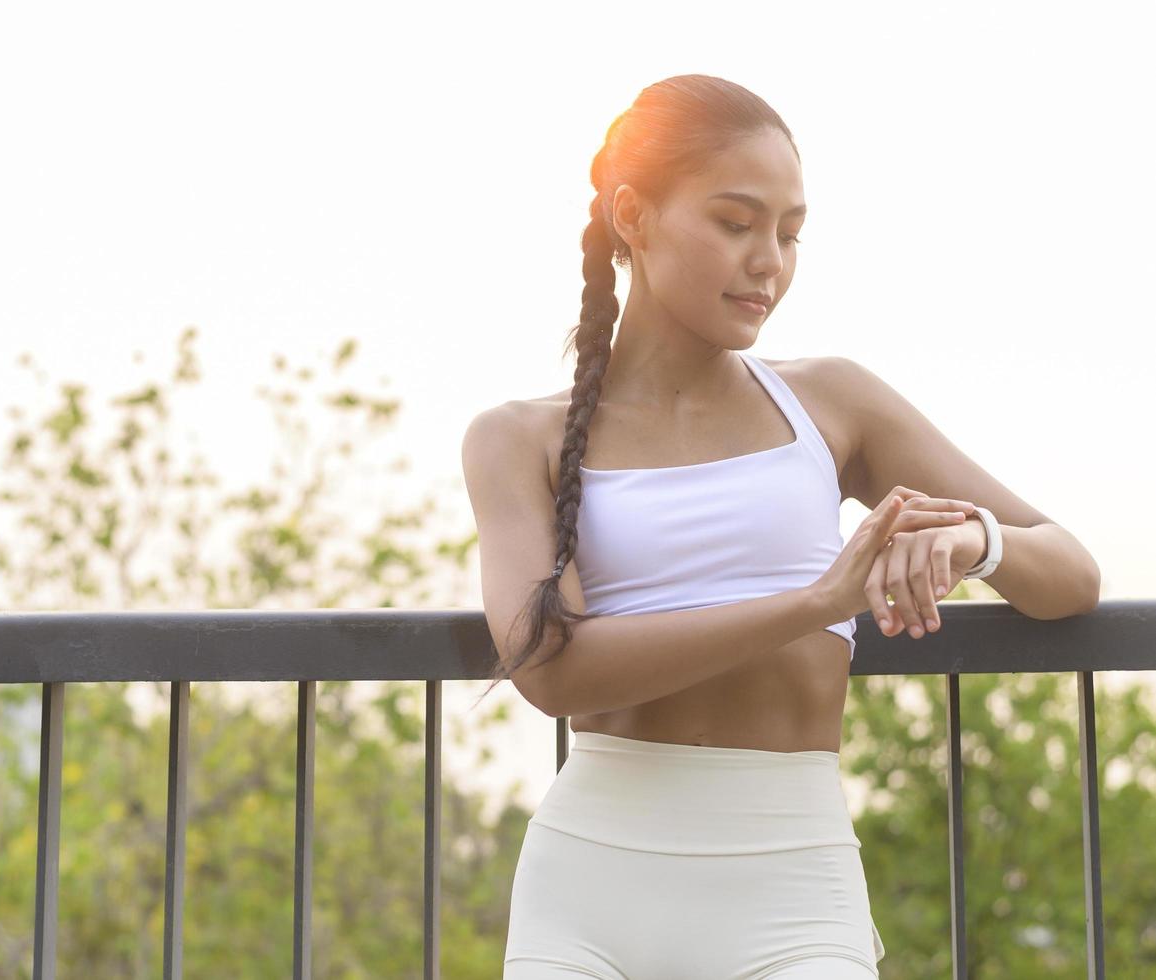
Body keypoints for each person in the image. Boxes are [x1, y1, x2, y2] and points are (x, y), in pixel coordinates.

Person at [459, 74, 1102, 979]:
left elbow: (1070, 573)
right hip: (588, 891)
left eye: (789, 233)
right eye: (734, 222)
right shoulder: (514, 438)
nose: (770, 260)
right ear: (633, 215)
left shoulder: (832, 402)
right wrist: (814, 603)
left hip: (791, 889)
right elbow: (550, 673)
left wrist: (971, 541)